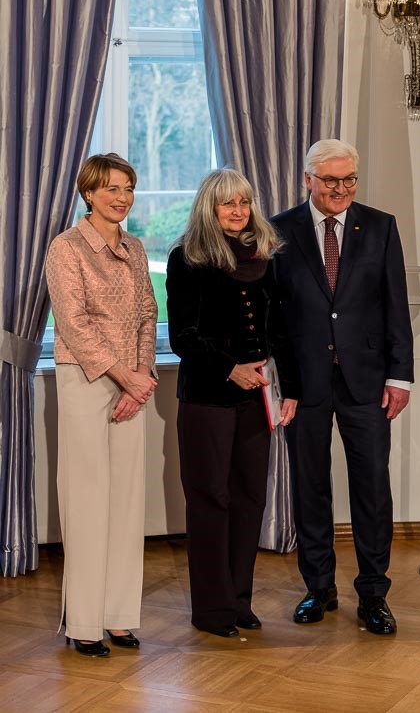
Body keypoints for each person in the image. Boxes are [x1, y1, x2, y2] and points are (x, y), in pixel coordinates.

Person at [272, 139, 414, 635]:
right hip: (304, 384)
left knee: (373, 488)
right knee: (310, 487)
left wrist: (400, 376)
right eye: (331, 180)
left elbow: (396, 305)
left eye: (350, 179)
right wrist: (282, 382)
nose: (341, 189)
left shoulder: (380, 226)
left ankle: (374, 594)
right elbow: (275, 316)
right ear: (308, 179)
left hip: (369, 382)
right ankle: (319, 588)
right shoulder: (278, 229)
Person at [166, 168, 299, 638]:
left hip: (258, 400)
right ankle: (212, 609)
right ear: (210, 207)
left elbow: (280, 331)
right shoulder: (187, 257)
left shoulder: (266, 253)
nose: (238, 211)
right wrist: (230, 367)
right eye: (228, 204)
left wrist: (293, 389)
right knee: (210, 499)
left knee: (249, 498)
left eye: (244, 202)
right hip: (207, 399)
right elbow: (183, 336)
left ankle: (240, 601)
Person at [46, 153, 158, 656]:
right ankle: (84, 624)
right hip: (86, 379)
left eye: (129, 188)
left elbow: (148, 315)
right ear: (88, 193)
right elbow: (73, 322)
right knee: (88, 501)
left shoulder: (134, 248)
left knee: (126, 504)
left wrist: (142, 379)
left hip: (132, 386)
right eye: (111, 188)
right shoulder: (66, 247)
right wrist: (125, 376)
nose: (122, 197)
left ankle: (117, 617)